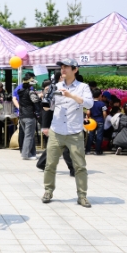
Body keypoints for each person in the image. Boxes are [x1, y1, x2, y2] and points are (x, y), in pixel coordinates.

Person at [42, 58, 94, 208]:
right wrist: (45, 98)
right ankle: (48, 191)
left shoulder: (83, 87)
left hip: (74, 131)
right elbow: (48, 108)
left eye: (66, 67)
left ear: (75, 70)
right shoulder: (56, 86)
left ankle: (82, 196)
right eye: (62, 67)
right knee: (50, 164)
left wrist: (71, 96)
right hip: (56, 130)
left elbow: (89, 103)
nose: (63, 70)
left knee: (80, 166)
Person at [17, 78, 41, 160]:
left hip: (22, 116)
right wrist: (39, 96)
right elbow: (35, 100)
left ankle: (31, 153)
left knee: (29, 135)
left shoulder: (20, 92)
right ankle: (26, 154)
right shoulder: (30, 92)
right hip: (29, 115)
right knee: (29, 136)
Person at [13, 72, 36, 150]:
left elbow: (14, 99)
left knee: (22, 131)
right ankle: (26, 151)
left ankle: (22, 148)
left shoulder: (18, 87)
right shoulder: (29, 88)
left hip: (21, 112)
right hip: (28, 112)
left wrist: (19, 107)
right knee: (29, 133)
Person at [85, 88, 108, 155]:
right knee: (99, 136)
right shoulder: (103, 104)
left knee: (91, 135)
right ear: (100, 95)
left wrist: (88, 118)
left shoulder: (90, 103)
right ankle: (97, 150)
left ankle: (88, 150)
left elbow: (88, 112)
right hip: (100, 121)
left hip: (92, 122)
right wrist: (104, 119)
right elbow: (104, 113)